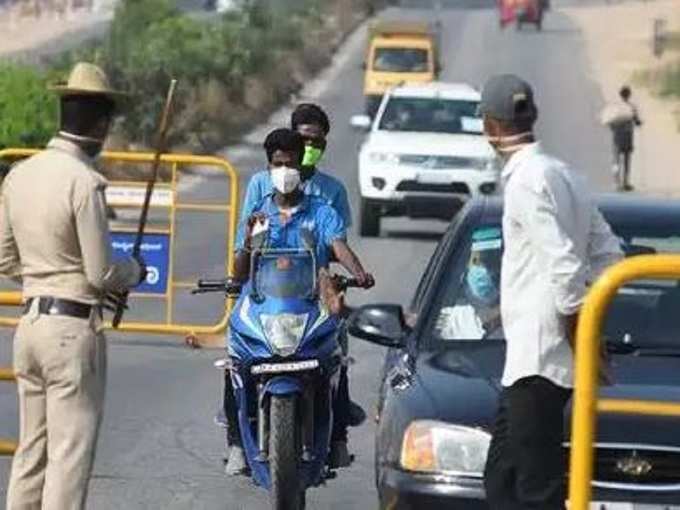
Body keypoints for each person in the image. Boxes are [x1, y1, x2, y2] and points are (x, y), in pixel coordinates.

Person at [2, 62, 146, 510]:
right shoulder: (84, 182)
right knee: (68, 458)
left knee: (31, 453)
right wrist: (134, 271)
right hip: (71, 332)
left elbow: (5, 258)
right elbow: (100, 273)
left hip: (28, 325)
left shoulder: (19, 174)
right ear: (101, 124)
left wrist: (47, 276)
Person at [478, 74, 623, 510]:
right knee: (501, 480)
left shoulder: (526, 181)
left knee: (536, 488)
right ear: (533, 116)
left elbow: (563, 264)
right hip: (530, 356)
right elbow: (609, 255)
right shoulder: (565, 174)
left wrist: (580, 330)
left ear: (490, 125)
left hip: (541, 358)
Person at [224, 128, 374, 475]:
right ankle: (236, 440)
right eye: (278, 164)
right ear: (269, 167)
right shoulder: (258, 216)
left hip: (310, 303)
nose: (285, 170)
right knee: (235, 358)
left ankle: (337, 437)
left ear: (299, 166)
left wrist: (359, 271)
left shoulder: (320, 212)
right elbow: (241, 268)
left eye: (290, 163)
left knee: (335, 355)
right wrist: (248, 242)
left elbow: (339, 247)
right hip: (264, 305)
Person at [435, 228, 503, 341]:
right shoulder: (453, 318)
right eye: (478, 260)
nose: (486, 269)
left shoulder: (529, 316)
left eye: (492, 259)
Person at [601, 85, 642, 191]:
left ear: (620, 95)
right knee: (627, 160)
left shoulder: (615, 107)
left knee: (616, 160)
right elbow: (637, 121)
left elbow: (609, 122)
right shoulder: (631, 107)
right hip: (628, 136)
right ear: (629, 95)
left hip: (617, 137)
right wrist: (638, 122)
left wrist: (614, 128)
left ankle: (616, 183)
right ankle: (626, 182)